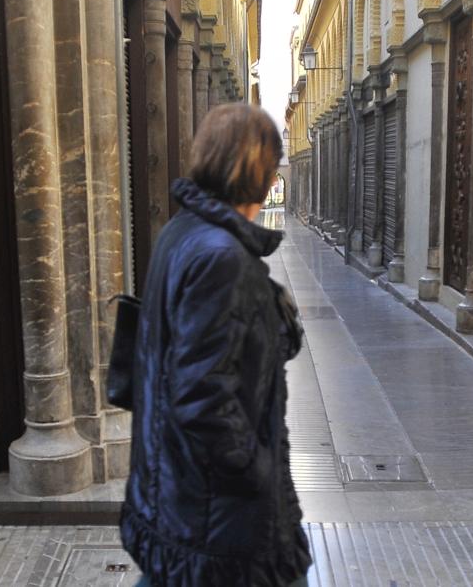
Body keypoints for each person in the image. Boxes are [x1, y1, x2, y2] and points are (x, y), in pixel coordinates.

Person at [120, 103, 311, 586]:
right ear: (261, 174)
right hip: (217, 516)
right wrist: (256, 471)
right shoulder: (220, 256)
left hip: (182, 496)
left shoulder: (182, 233)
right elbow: (202, 395)